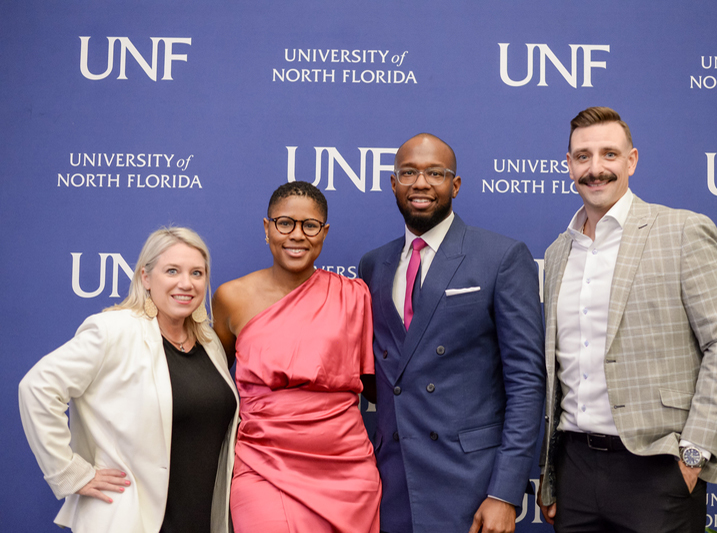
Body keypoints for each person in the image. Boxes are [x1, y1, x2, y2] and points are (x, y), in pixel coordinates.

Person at [536, 106, 717, 532]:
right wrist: (553, 472)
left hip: (657, 470)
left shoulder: (682, 231)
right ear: (569, 165)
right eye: (583, 156)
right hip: (575, 470)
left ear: (631, 160)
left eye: (609, 155)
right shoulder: (559, 252)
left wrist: (693, 456)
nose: (596, 168)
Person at [358, 133, 546, 533]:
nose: (421, 183)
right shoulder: (374, 265)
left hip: (471, 484)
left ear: (455, 185)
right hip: (393, 482)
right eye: (408, 172)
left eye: (435, 173)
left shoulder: (501, 257)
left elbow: (527, 382)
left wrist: (505, 492)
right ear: (393, 183)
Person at [19, 227, 239, 533]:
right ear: (145, 278)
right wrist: (71, 472)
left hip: (200, 519)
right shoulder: (113, 330)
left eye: (197, 273)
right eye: (172, 271)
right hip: (131, 518)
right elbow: (37, 387)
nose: (186, 283)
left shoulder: (209, 343)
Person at [212, 181, 381, 533]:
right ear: (267, 227)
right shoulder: (232, 297)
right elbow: (211, 381)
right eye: (285, 223)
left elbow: (377, 385)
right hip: (262, 464)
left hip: (346, 470)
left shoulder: (354, 296)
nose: (297, 235)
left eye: (310, 225)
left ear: (324, 232)